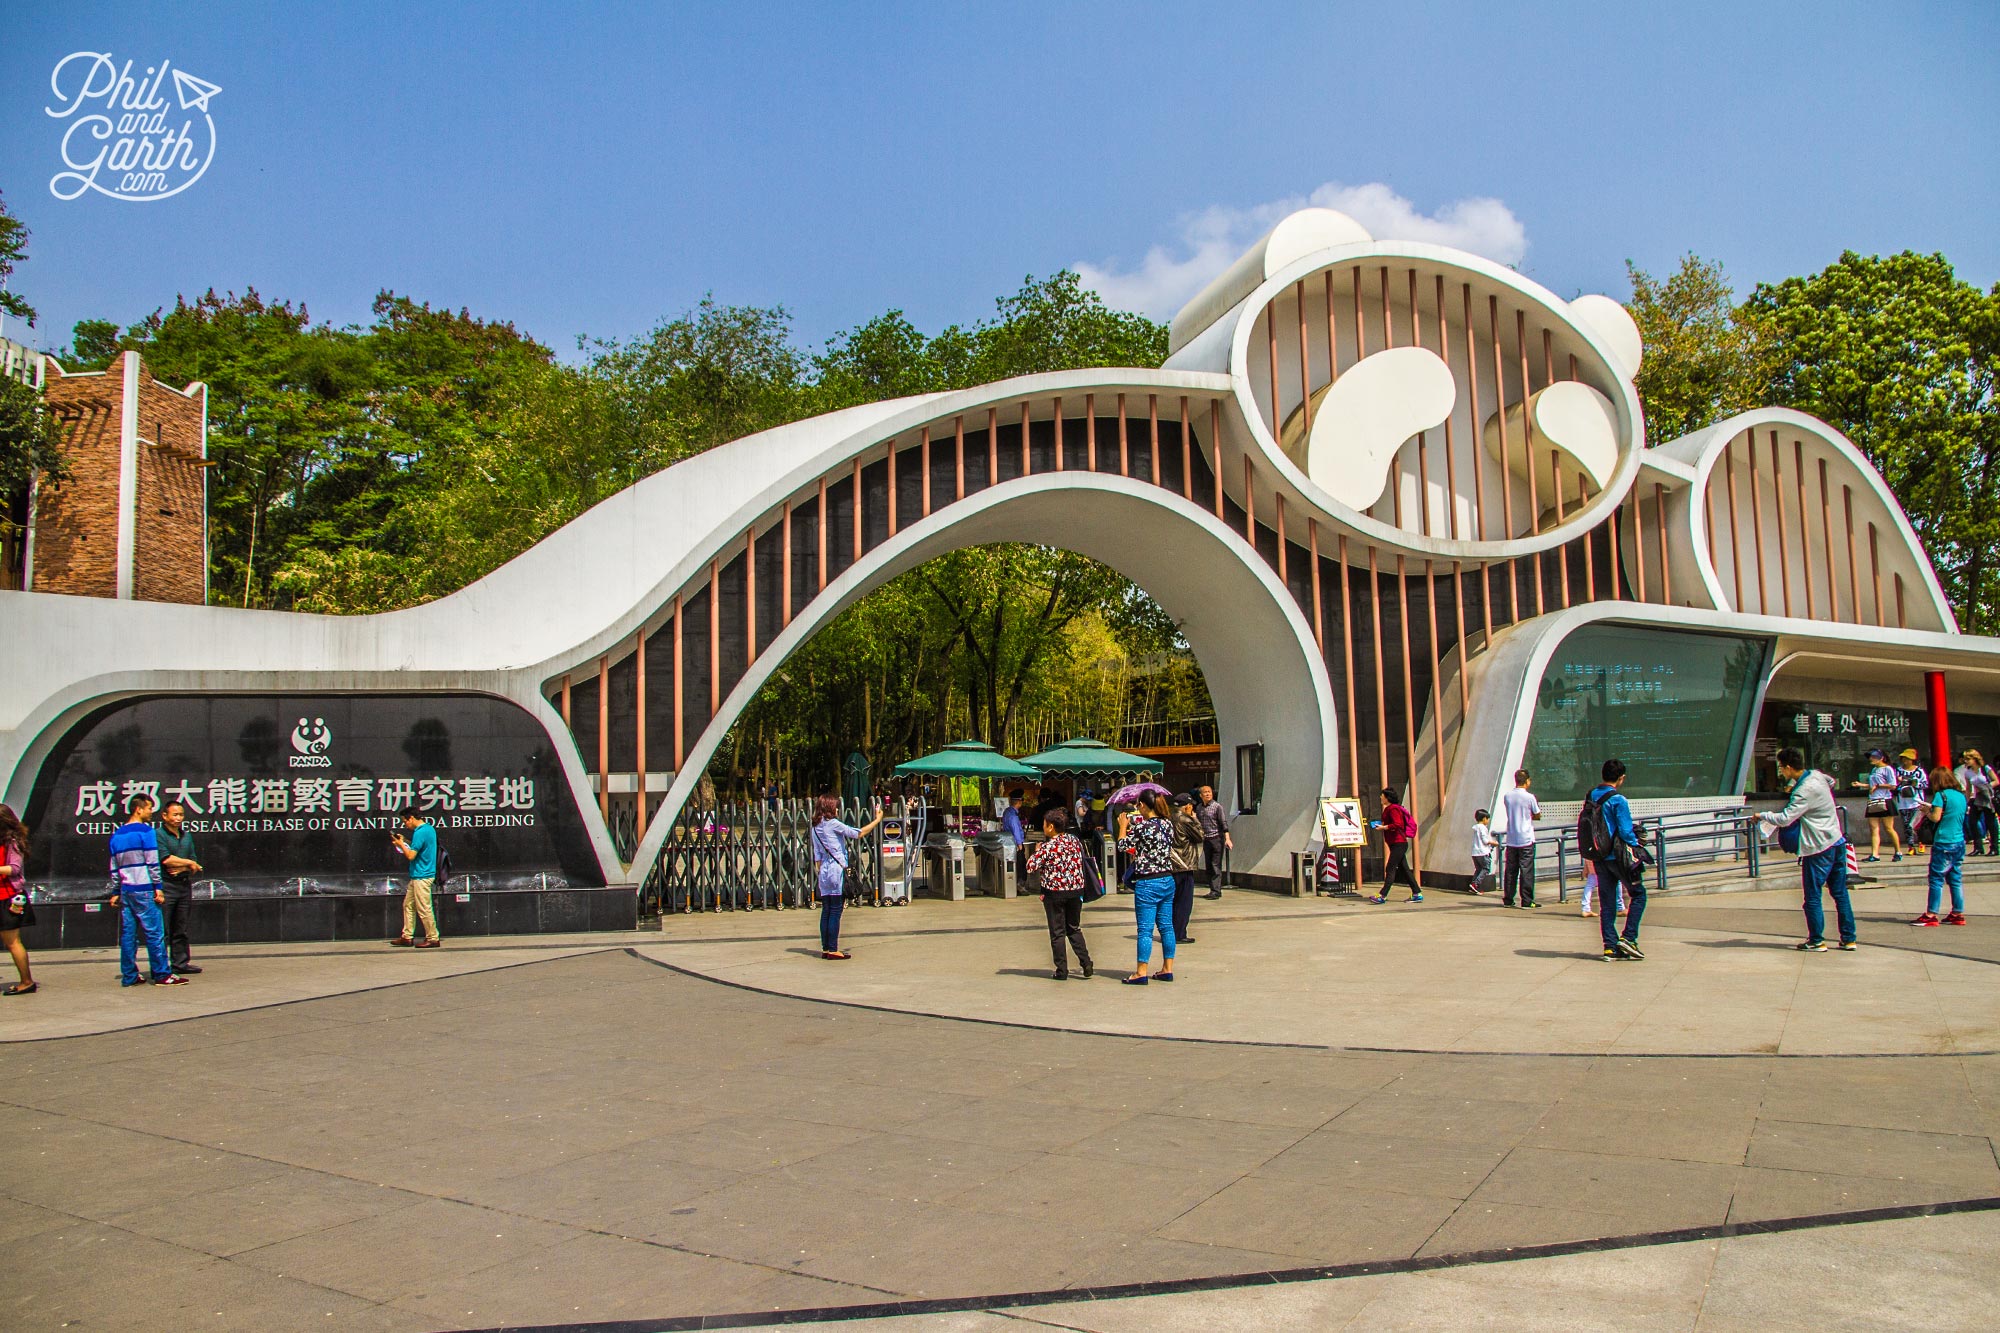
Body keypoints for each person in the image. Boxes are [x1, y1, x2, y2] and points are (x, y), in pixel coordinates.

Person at [1759, 747, 1858, 951]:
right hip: (1837, 840)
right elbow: (1831, 782)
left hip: (1818, 847)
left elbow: (1785, 818)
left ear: (1788, 767)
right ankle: (1849, 938)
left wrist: (1762, 815)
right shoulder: (1817, 776)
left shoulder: (1804, 791)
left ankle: (1816, 940)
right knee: (1840, 894)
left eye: (1781, 768)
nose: (1781, 772)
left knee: (1812, 897)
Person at [109, 794, 185, 986]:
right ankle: (162, 974)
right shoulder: (146, 832)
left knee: (128, 935)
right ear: (138, 809)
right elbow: (152, 863)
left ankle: (129, 975)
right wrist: (158, 888)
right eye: (149, 808)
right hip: (144, 889)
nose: (152, 812)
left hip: (127, 890)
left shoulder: (117, 835)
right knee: (155, 933)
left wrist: (116, 890)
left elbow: (114, 867)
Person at [1582, 760, 1646, 960]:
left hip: (1599, 856)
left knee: (1607, 903)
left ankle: (1610, 946)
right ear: (1621, 778)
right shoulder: (1619, 800)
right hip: (1617, 856)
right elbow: (1626, 831)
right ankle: (1629, 938)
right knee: (1638, 894)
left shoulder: (1591, 796)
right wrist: (1637, 844)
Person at [810, 794, 883, 960]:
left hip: (824, 872)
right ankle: (834, 949)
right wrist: (877, 820)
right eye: (835, 806)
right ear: (829, 807)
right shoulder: (833, 824)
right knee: (836, 910)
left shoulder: (815, 827)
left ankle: (826, 948)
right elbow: (857, 833)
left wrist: (822, 873)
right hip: (836, 870)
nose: (837, 809)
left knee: (826, 910)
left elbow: (817, 855)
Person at [1117, 794, 1178, 984]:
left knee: (1145, 930)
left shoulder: (1142, 827)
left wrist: (1123, 827)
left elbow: (1122, 845)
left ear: (1142, 805)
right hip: (1167, 879)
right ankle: (1167, 969)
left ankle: (1141, 972)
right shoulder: (1168, 824)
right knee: (1167, 927)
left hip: (1147, 882)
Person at [1026, 806, 1093, 979]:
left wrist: (1036, 851)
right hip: (1075, 890)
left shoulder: (1048, 847)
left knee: (1057, 932)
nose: (1043, 827)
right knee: (1073, 928)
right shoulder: (1074, 840)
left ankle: (1061, 970)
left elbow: (1030, 866)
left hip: (1054, 893)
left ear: (1051, 827)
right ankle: (1086, 963)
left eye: (1044, 824)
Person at [1913, 765, 1968, 927]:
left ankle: (1931, 914)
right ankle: (1957, 913)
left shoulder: (1940, 795)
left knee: (1936, 878)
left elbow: (1936, 818)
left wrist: (1926, 811)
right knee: (1955, 878)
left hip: (1944, 840)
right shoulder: (1960, 796)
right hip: (1959, 840)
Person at [155, 799, 204, 975]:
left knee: (181, 928)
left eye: (181, 814)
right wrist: (189, 863)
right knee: (164, 928)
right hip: (166, 886)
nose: (178, 818)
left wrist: (186, 866)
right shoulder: (159, 834)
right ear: (165, 816)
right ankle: (161, 966)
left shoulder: (186, 835)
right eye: (175, 814)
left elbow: (195, 863)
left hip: (184, 885)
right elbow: (166, 859)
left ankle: (180, 963)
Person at [389, 812, 443, 948]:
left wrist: (400, 844)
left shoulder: (419, 832)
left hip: (422, 876)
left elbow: (411, 855)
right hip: (419, 875)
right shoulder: (428, 829)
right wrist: (406, 841)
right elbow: (418, 847)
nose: (405, 824)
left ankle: (433, 938)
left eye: (405, 821)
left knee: (424, 908)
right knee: (408, 905)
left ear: (411, 818)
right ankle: (407, 936)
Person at [0, 804, 37, 995]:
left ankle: (27, 981)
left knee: (12, 941)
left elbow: (14, 868)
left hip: (9, 896)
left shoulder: (13, 842)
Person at [1368, 786, 1421, 904]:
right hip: (1396, 843)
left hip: (1399, 843)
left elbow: (1398, 824)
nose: (1380, 797)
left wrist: (1384, 827)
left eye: (1382, 796)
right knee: (1405, 869)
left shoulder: (1393, 809)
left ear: (1387, 797)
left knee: (1390, 868)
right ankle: (1416, 893)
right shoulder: (1390, 809)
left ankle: (1382, 895)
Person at [1849, 748, 1902, 863]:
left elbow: (1893, 785)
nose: (1871, 759)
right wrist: (1861, 785)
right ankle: (1875, 854)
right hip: (1873, 800)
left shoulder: (1887, 769)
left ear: (1881, 758)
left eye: (1874, 757)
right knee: (1874, 828)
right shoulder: (1874, 769)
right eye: (1870, 757)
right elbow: (1872, 785)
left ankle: (1898, 851)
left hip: (1885, 800)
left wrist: (1878, 786)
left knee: (1888, 828)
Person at [1498, 769, 1541, 908]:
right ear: (1527, 781)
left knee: (1511, 870)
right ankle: (1527, 900)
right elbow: (1537, 814)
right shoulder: (1530, 797)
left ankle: (1508, 899)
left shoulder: (1508, 796)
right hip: (1526, 838)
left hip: (1512, 838)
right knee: (1526, 870)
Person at [1168, 792, 1203, 943]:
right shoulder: (1185, 819)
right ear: (1187, 805)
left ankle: (1170, 933)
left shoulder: (1167, 817)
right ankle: (1179, 933)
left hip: (1170, 864)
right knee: (1184, 902)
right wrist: (1194, 818)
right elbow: (1200, 835)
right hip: (1184, 864)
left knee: (1172, 901)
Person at [1193, 784, 1231, 899]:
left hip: (1217, 839)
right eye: (1205, 792)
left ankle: (1216, 890)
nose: (1208, 794)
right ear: (1201, 795)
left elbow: (1223, 823)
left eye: (1209, 792)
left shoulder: (1217, 806)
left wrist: (1227, 838)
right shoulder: (1199, 808)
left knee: (1215, 865)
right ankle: (1212, 889)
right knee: (1209, 866)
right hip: (1206, 839)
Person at [1955, 750, 1993, 857]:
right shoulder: (1968, 772)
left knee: (1990, 822)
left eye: (1968, 759)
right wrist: (1966, 802)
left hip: (1987, 797)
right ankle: (1978, 847)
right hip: (1975, 798)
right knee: (1972, 822)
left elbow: (1996, 781)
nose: (1966, 761)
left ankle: (1994, 847)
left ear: (1975, 759)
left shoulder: (1985, 769)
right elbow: (1968, 788)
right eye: (1965, 759)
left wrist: (1985, 787)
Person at [1893, 748, 1929, 852]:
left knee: (1918, 824)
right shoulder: (1898, 771)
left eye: (1907, 759)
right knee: (1906, 824)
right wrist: (1901, 785)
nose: (1905, 761)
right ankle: (1911, 845)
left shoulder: (1919, 771)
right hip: (1903, 802)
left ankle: (1921, 843)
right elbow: (1894, 785)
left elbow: (1925, 784)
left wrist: (1912, 783)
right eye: (1903, 758)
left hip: (1916, 801)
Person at [1469, 808, 1495, 895]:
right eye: (1487, 819)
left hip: (1475, 853)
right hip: (1483, 852)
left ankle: (1473, 885)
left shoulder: (1476, 828)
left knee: (1478, 869)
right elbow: (1485, 840)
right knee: (1486, 868)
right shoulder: (1483, 828)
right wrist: (1494, 843)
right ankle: (1475, 884)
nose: (1488, 821)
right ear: (1484, 818)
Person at [1002, 789, 1027, 860]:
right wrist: (1020, 845)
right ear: (1019, 802)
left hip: (1008, 842)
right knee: (1019, 866)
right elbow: (1016, 830)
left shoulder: (1007, 811)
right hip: (1015, 844)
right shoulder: (1013, 816)